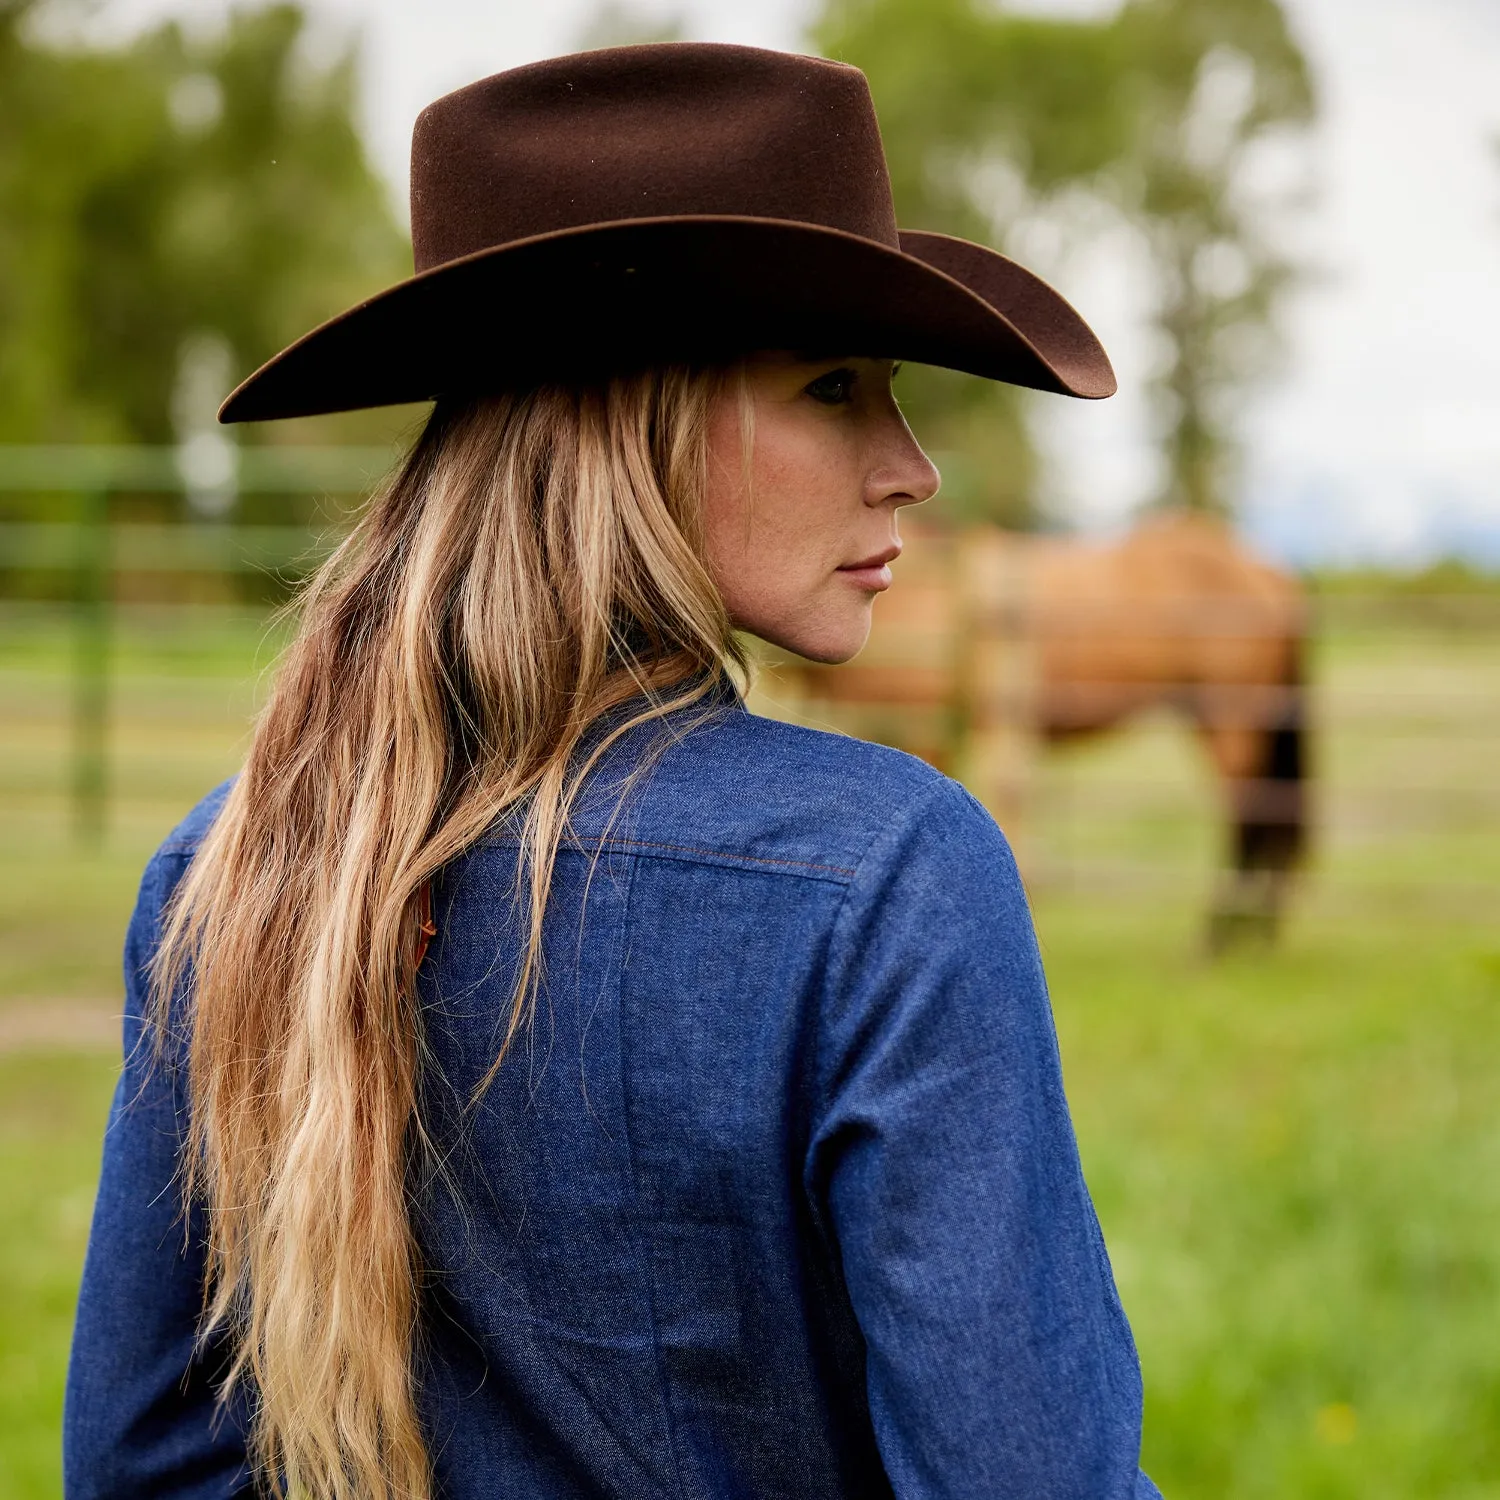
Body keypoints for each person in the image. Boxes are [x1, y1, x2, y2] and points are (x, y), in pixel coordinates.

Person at [64, 41, 1161, 1500]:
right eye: (836, 388)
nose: (912, 465)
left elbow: (147, 1469)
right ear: (633, 425)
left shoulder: (235, 863)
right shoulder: (891, 879)